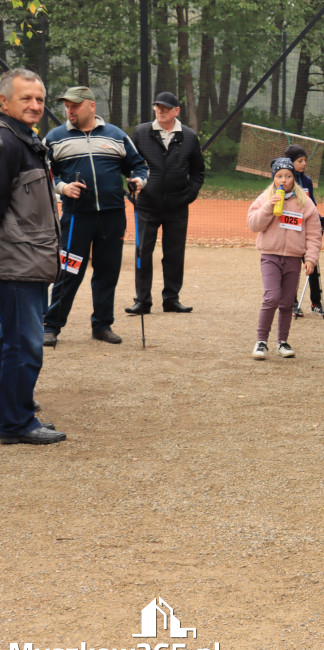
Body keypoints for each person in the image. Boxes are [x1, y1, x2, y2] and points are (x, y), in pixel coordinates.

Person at [42, 86, 148, 346]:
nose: (70, 110)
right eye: (67, 105)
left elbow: (138, 165)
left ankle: (102, 325)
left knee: (107, 270)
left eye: (75, 105)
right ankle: (51, 326)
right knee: (69, 271)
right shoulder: (55, 138)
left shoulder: (116, 135)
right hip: (76, 217)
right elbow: (43, 171)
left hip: (112, 216)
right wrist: (63, 188)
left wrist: (138, 180)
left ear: (91, 106)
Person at [0, 68, 66, 445]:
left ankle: (12, 405)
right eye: (26, 98)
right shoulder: (7, 143)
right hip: (15, 264)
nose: (35, 105)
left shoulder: (26, 140)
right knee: (23, 343)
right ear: (4, 101)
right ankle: (15, 423)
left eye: (39, 99)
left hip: (28, 262)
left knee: (12, 341)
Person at [127, 91, 205, 316]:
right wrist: (133, 183)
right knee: (143, 252)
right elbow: (130, 164)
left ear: (176, 111)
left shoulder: (189, 136)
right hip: (147, 204)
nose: (160, 111)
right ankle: (142, 301)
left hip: (177, 206)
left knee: (174, 253)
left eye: (165, 108)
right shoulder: (141, 132)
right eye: (157, 107)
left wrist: (189, 195)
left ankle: (171, 299)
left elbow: (198, 171)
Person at [247, 158, 322, 360]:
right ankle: (261, 342)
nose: (284, 180)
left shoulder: (304, 202)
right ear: (273, 178)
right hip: (270, 256)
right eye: (279, 176)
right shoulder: (265, 198)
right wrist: (268, 208)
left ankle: (282, 342)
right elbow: (253, 224)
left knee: (287, 302)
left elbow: (314, 234)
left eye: (288, 176)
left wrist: (311, 258)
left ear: (293, 178)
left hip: (293, 258)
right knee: (272, 297)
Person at [285, 143, 324, 318]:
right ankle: (293, 302)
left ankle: (316, 302)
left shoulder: (307, 181)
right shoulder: (286, 180)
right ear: (290, 162)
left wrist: (318, 220)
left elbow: (312, 205)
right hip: (292, 231)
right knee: (293, 268)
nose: (304, 164)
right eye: (300, 160)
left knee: (313, 265)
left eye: (305, 160)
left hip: (307, 231)